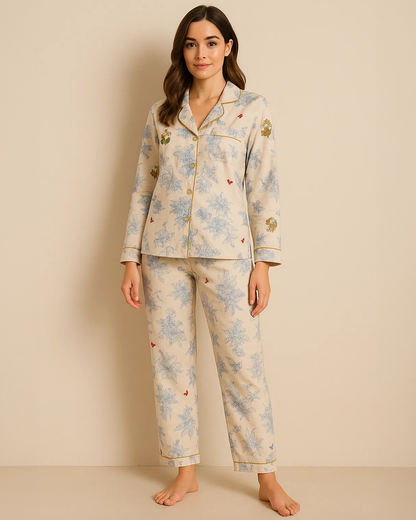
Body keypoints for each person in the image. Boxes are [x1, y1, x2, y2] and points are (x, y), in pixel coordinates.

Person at [120, 5, 300, 516]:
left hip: (228, 255)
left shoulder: (252, 109)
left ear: (228, 47)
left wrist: (264, 264)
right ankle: (185, 472)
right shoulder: (162, 113)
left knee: (243, 367)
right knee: (170, 367)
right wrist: (130, 258)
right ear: (182, 50)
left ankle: (266, 478)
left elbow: (263, 188)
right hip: (162, 254)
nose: (201, 52)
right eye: (191, 43)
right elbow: (143, 187)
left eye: (211, 42)